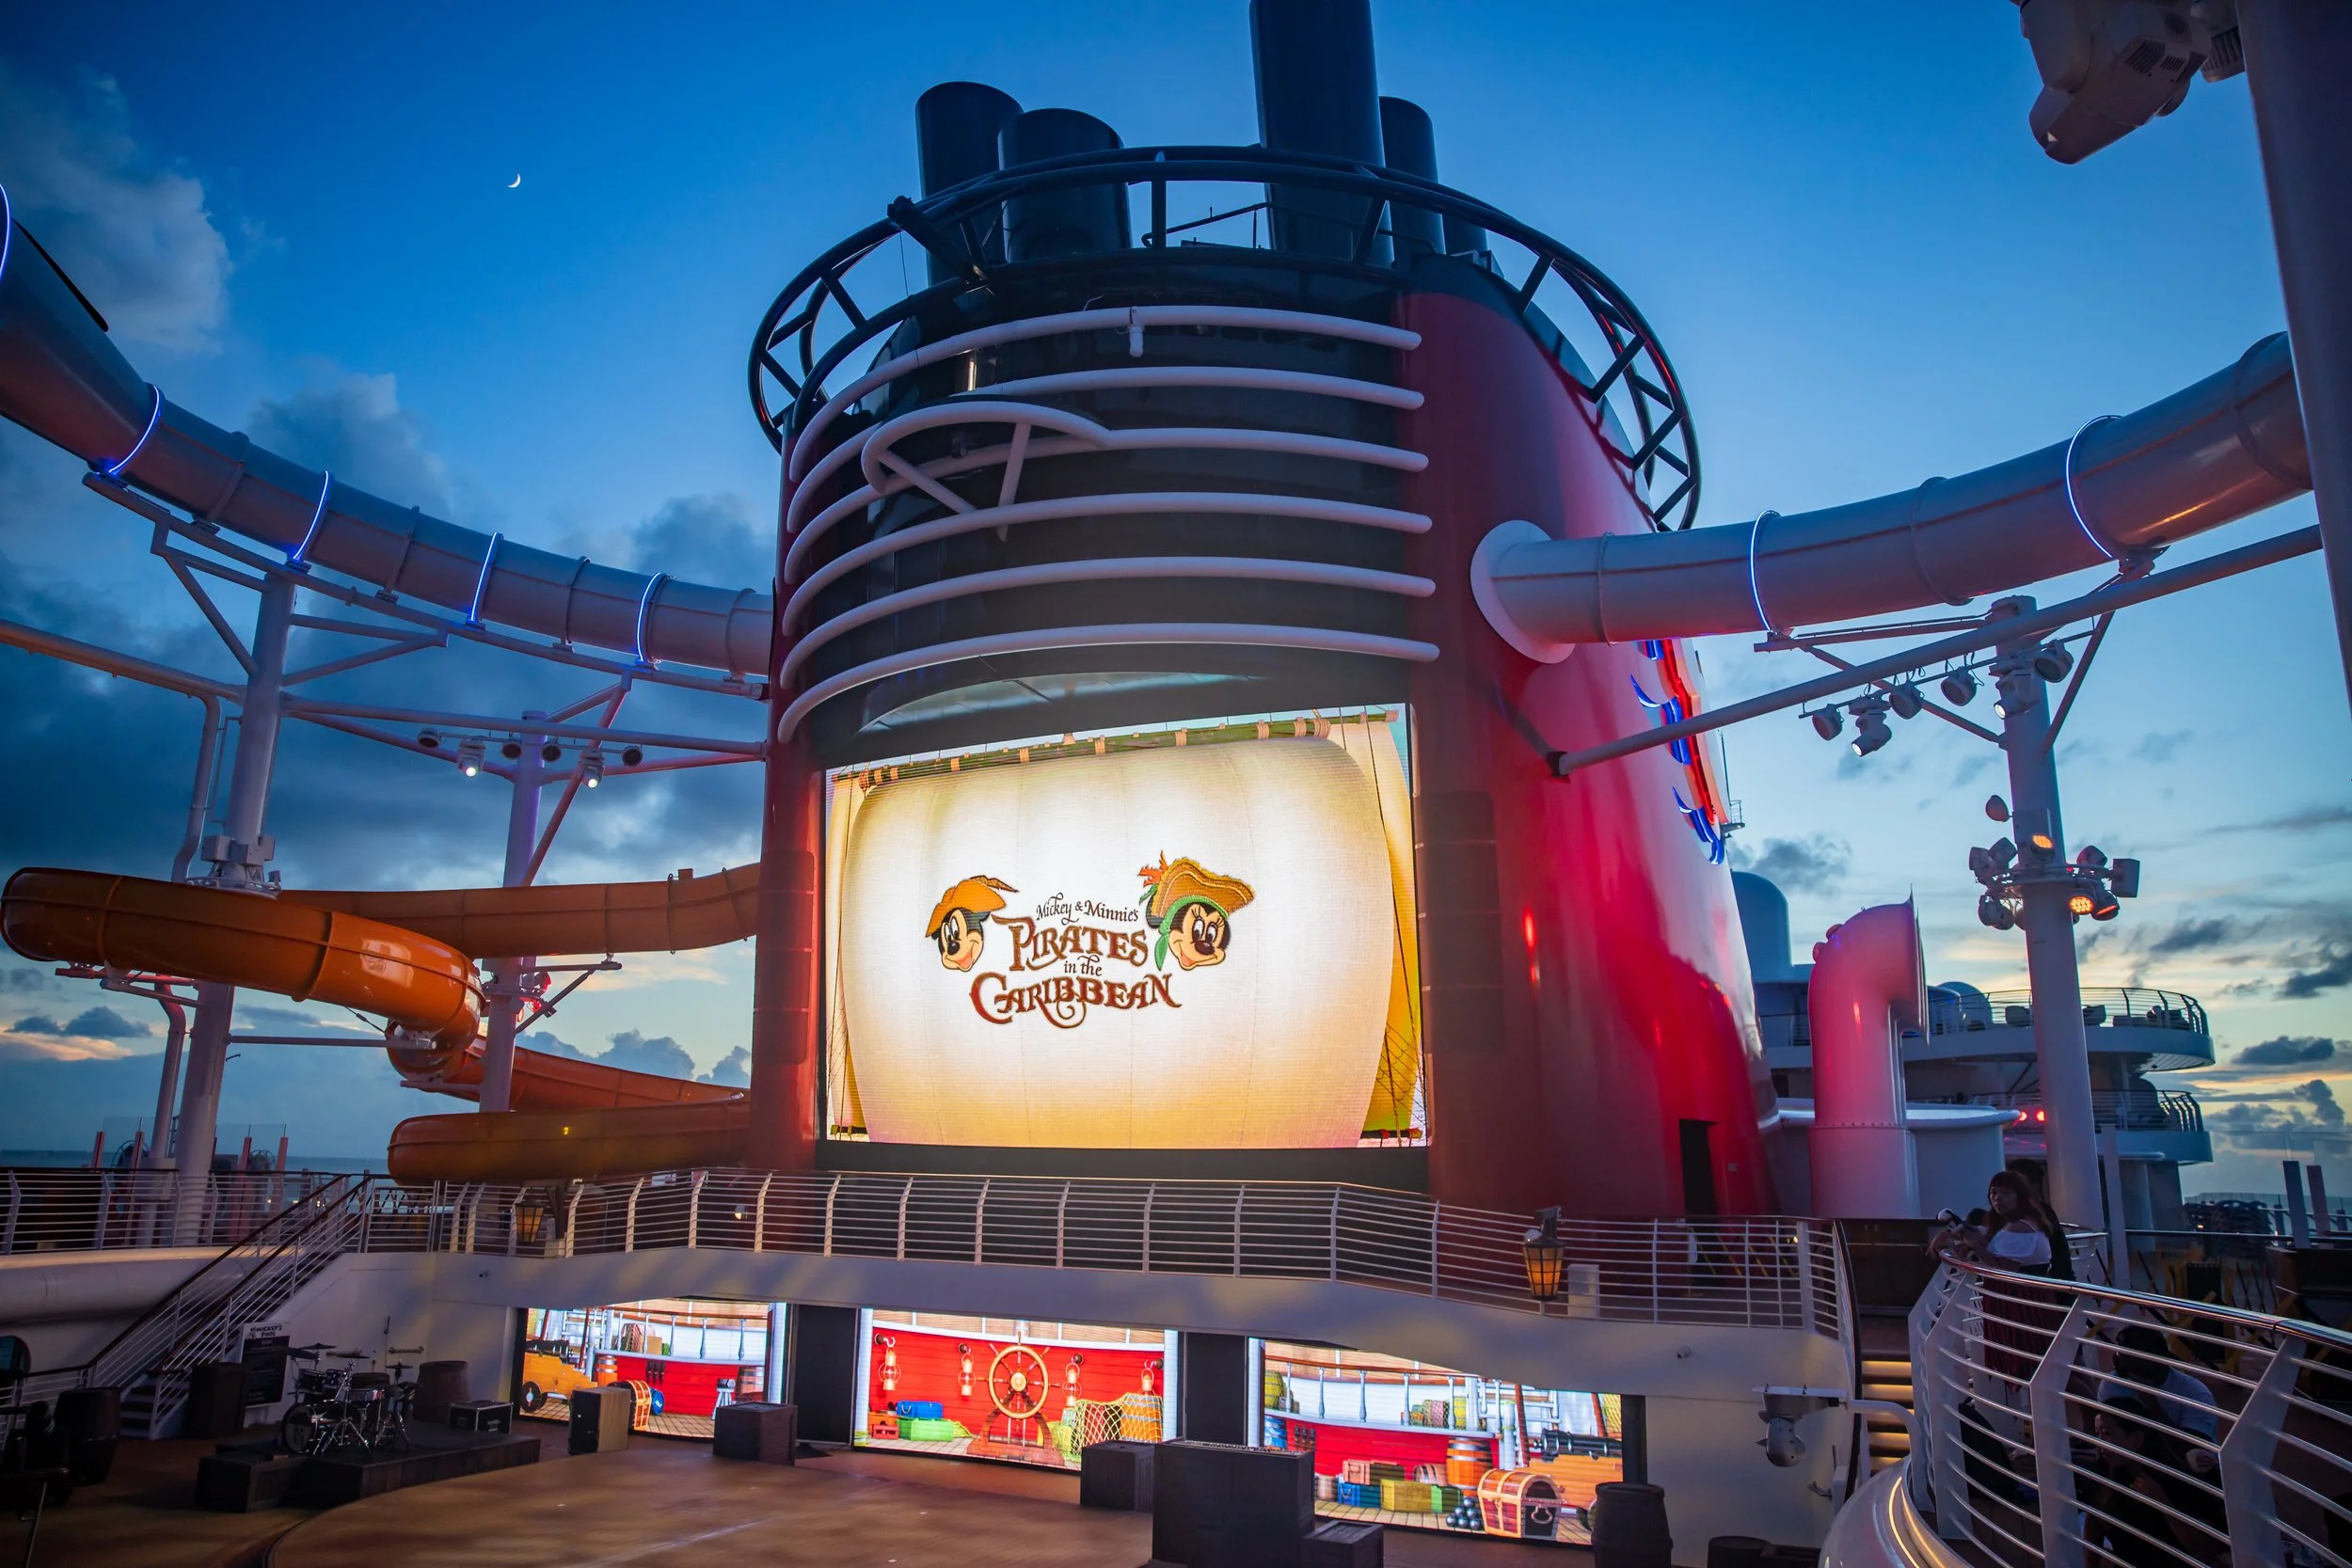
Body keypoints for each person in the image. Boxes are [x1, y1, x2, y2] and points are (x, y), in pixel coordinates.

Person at [2077, 1393, 2227, 1568]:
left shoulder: (2175, 1480)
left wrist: (2162, 1503)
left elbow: (2204, 1547)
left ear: (2137, 1438)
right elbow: (2093, 1523)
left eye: (2107, 1434)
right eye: (2097, 1433)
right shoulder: (2105, 1474)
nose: (2100, 1442)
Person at [2097, 1324, 2219, 1447]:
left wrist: (2153, 1405)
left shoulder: (2195, 1393)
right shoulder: (2112, 1384)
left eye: (2137, 1365)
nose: (2133, 1378)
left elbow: (2193, 1448)